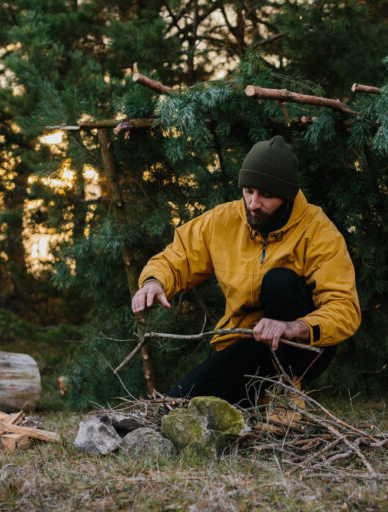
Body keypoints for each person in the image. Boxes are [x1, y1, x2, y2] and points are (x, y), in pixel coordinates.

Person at [131, 135, 361, 404]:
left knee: (279, 281)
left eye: (266, 195)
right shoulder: (223, 220)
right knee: (178, 403)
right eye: (249, 191)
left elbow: (344, 308)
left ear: (286, 196)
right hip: (245, 344)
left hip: (302, 346)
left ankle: (285, 393)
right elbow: (178, 256)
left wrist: (293, 327)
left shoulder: (318, 231)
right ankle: (254, 398)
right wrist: (154, 281)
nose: (253, 203)